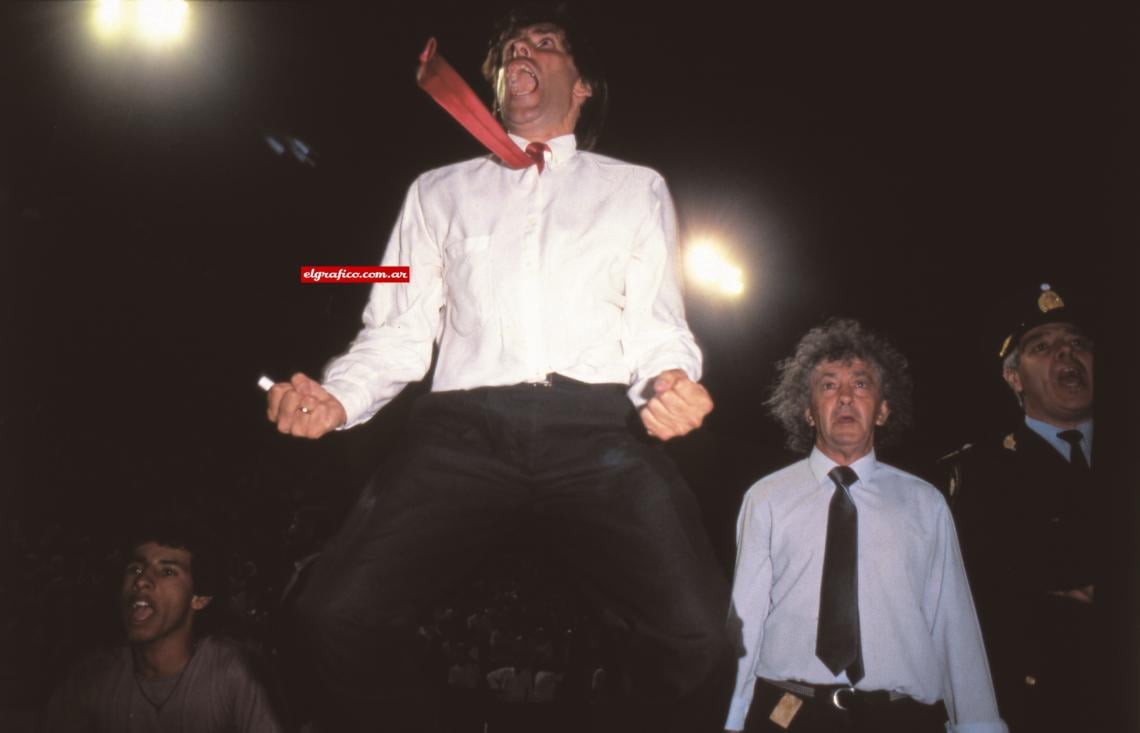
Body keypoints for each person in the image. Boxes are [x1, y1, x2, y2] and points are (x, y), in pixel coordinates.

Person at [265, 4, 731, 730]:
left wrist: (670, 379)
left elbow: (656, 324)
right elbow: (397, 330)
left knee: (701, 635)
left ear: (581, 86)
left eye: (546, 43)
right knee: (330, 616)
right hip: (464, 432)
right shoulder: (436, 192)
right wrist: (338, 397)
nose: (525, 50)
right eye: (513, 45)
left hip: (596, 432)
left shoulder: (635, 187)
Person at [725, 318, 1004, 733]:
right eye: (828, 385)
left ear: (883, 409)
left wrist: (979, 725)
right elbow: (743, 623)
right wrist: (729, 721)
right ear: (806, 410)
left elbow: (954, 622)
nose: (844, 398)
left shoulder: (925, 502)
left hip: (901, 718)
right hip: (788, 713)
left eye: (860, 384)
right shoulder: (766, 498)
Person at [945, 283, 1101, 732]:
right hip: (1048, 706)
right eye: (1043, 347)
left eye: (1078, 343)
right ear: (1014, 377)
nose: (1066, 356)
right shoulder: (980, 473)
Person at [41, 522, 285, 732]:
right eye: (135, 568)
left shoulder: (231, 674)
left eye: (167, 571)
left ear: (199, 598)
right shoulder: (92, 677)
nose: (141, 581)